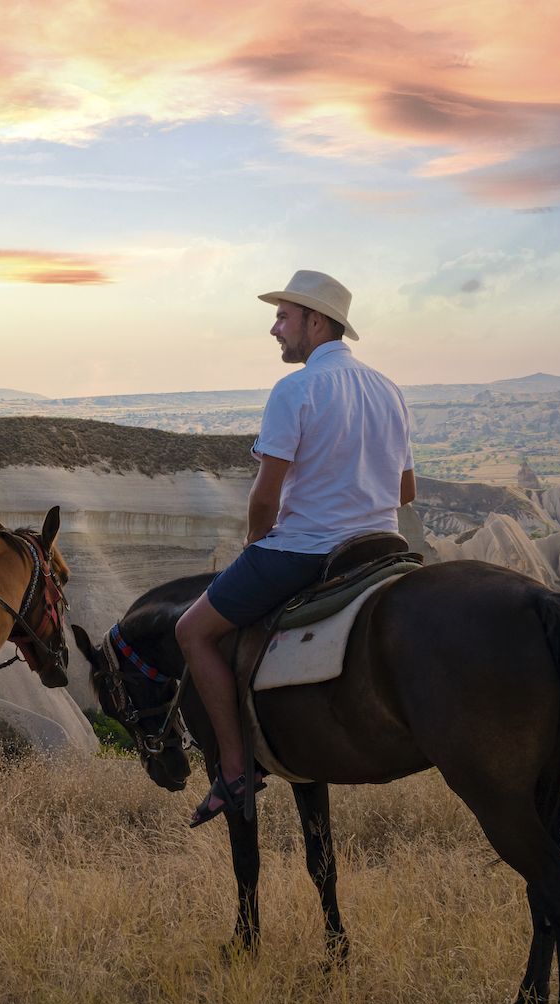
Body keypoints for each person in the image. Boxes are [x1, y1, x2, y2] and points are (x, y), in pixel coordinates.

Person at [175, 269, 414, 825]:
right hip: (382, 546)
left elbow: (265, 497)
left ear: (316, 321)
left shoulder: (296, 389)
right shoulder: (389, 389)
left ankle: (235, 769)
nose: (275, 328)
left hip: (308, 549)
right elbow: (405, 491)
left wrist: (255, 546)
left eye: (283, 317)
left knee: (192, 631)